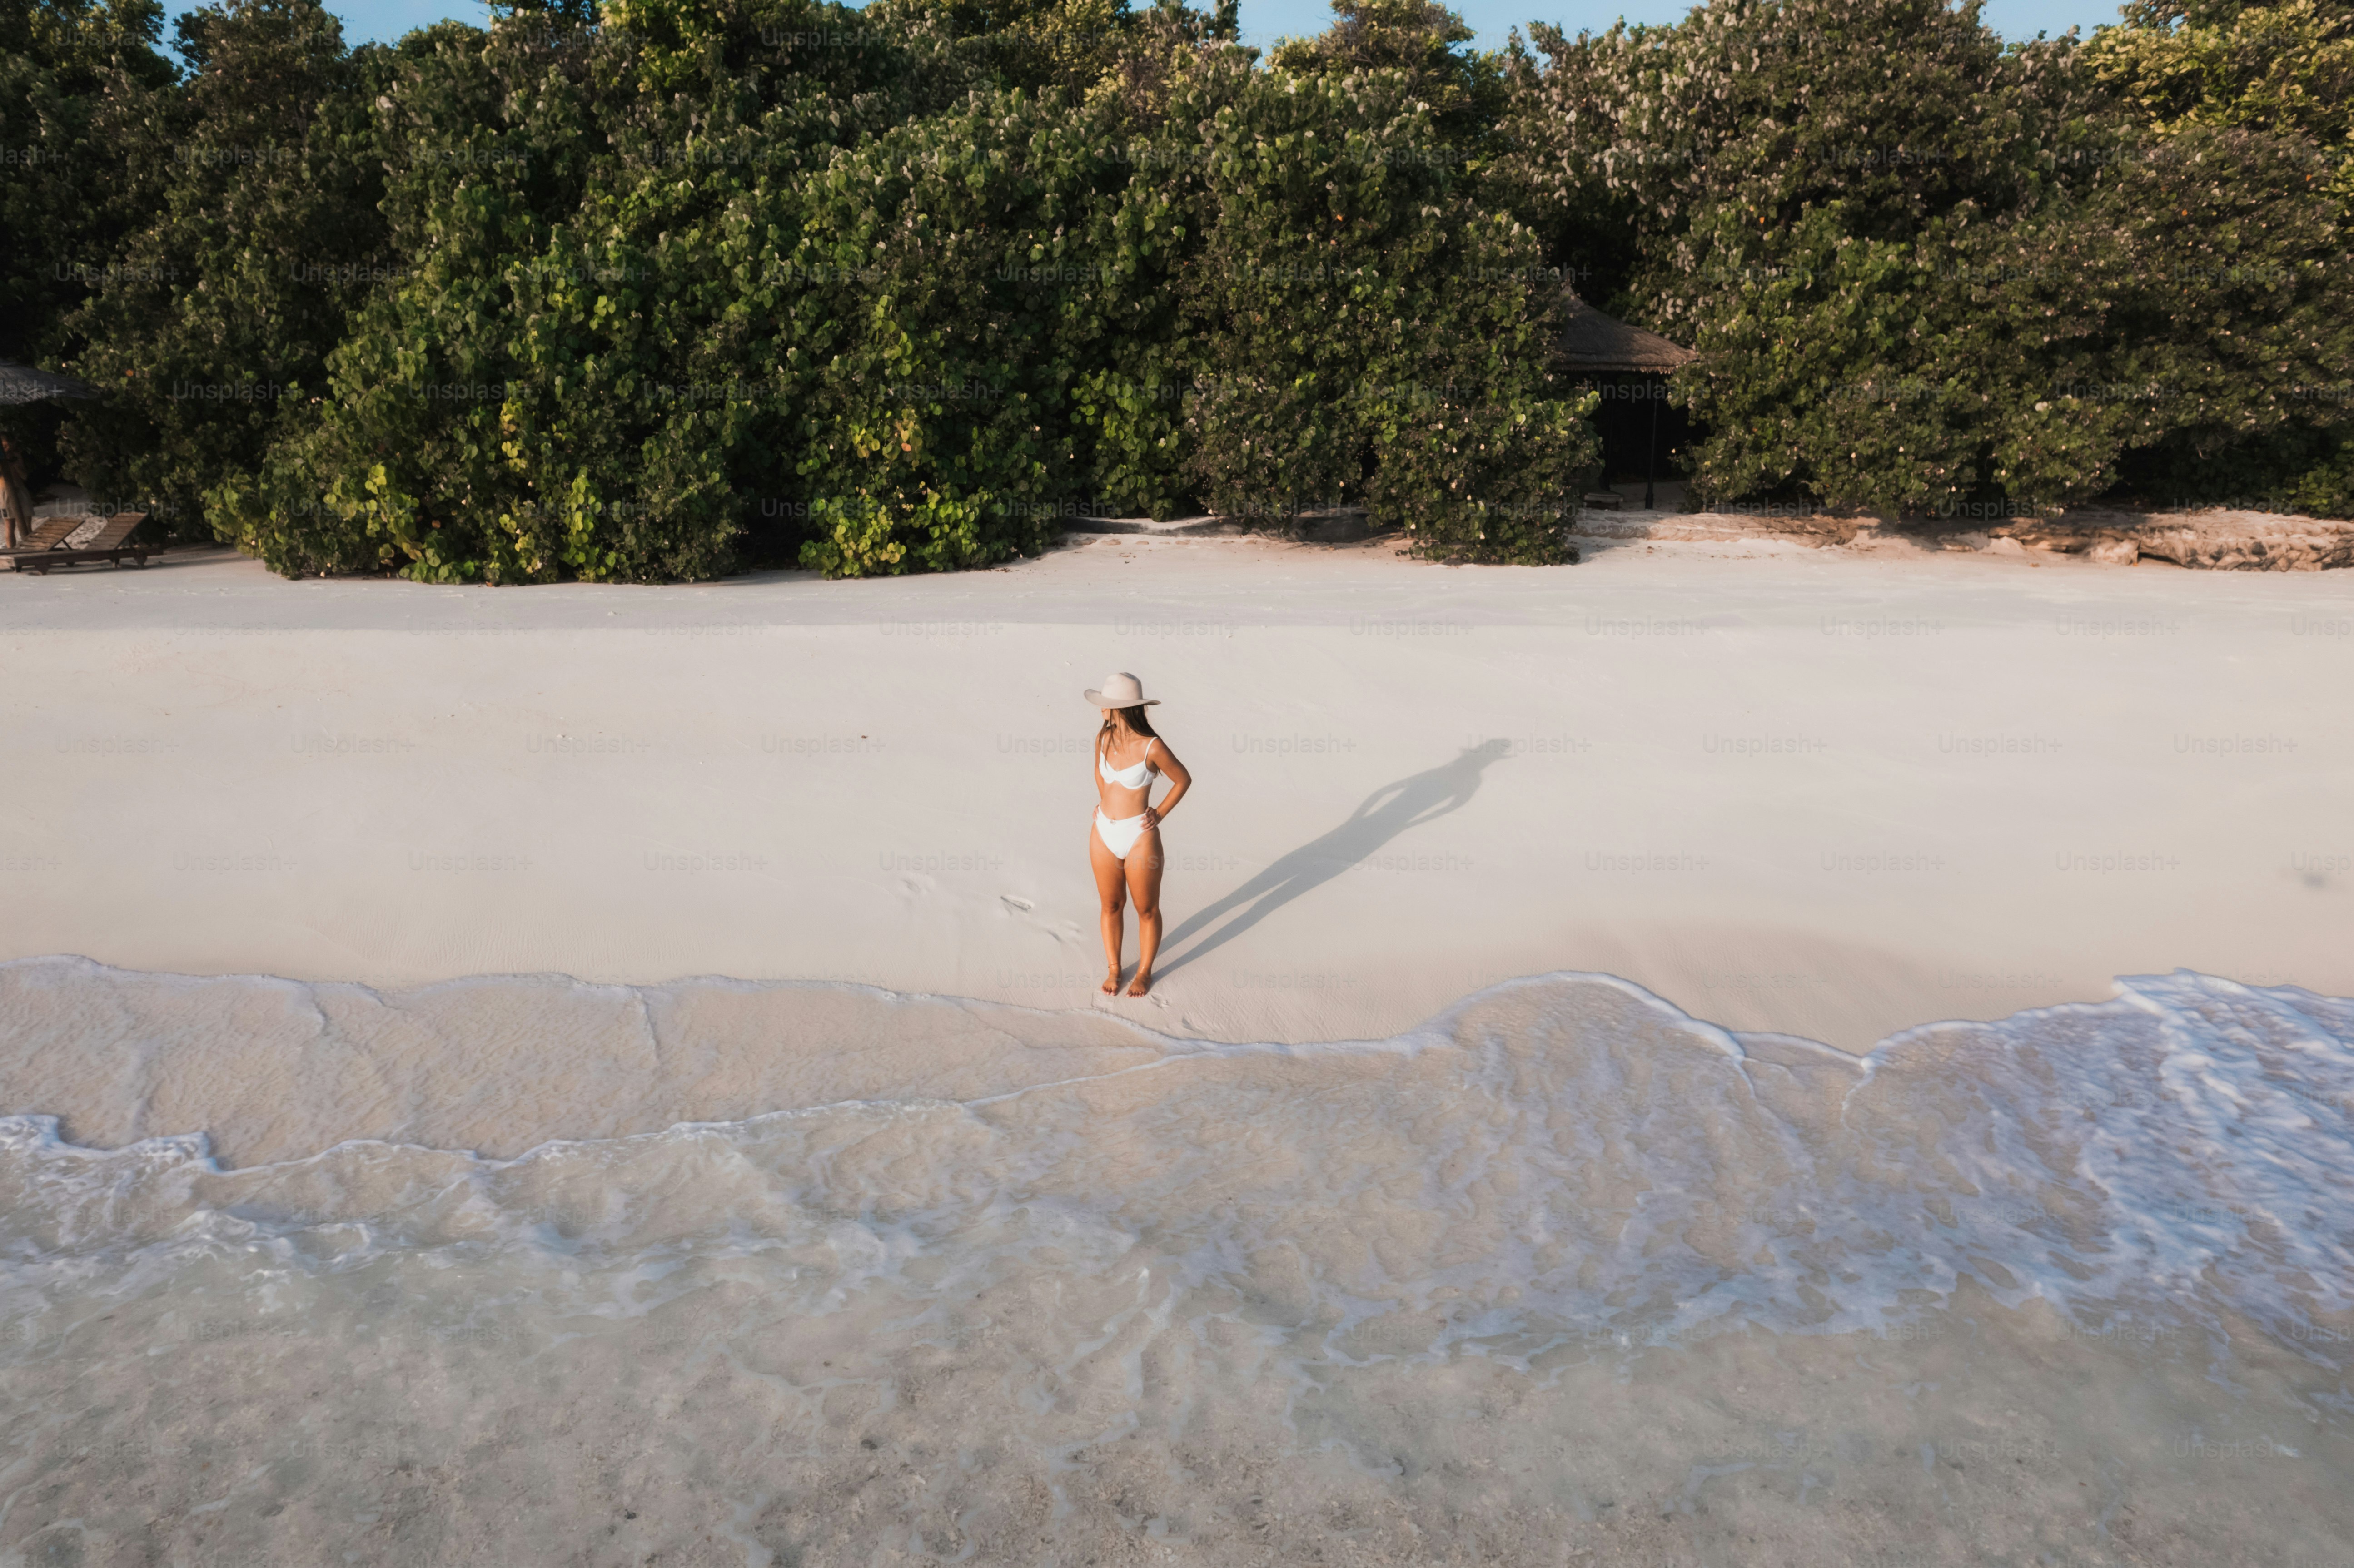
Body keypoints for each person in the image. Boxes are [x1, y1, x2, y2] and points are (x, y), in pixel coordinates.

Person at [1086, 671, 1191, 997]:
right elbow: (1099, 773)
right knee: (1111, 905)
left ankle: (1144, 971)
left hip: (1139, 836)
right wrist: (1102, 803)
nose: (1101, 710)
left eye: (1106, 705)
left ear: (1121, 708)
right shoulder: (1103, 738)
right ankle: (1114, 969)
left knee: (1146, 909)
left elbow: (1183, 780)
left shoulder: (1152, 746)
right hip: (1103, 830)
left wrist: (1158, 814)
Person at [0, 435, 33, 550]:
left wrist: (16, 464)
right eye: (4, 446)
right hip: (5, 492)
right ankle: (12, 552)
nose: (7, 448)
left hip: (21, 490)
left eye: (9, 445)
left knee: (27, 525)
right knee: (10, 526)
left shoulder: (16, 456)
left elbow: (24, 476)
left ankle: (31, 551)